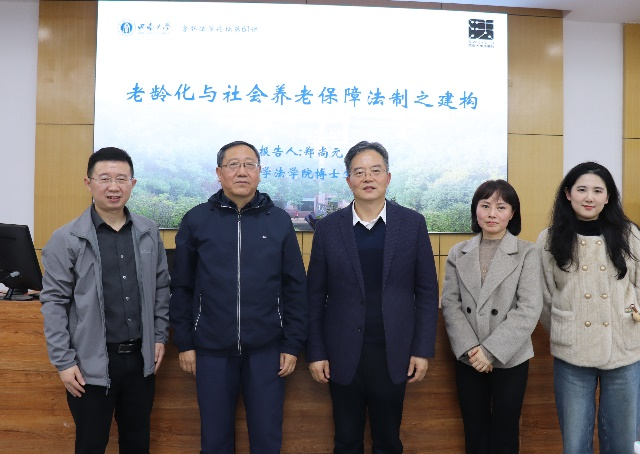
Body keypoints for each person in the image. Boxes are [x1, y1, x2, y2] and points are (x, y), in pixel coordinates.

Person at [169, 140, 307, 453]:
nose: (241, 172)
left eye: (249, 164)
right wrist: (185, 342)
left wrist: (292, 343)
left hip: (267, 350)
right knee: (215, 440)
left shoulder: (279, 221)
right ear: (219, 173)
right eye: (233, 165)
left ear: (259, 171)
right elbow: (182, 286)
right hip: (211, 350)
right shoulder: (196, 220)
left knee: (267, 438)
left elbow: (295, 286)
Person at [306, 140, 439, 453]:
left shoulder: (412, 224)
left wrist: (421, 350)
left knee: (388, 441)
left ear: (388, 178)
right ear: (348, 180)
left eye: (375, 171)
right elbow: (314, 296)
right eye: (359, 172)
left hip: (393, 352)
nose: (368, 178)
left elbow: (427, 291)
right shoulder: (328, 229)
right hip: (341, 354)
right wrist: (316, 352)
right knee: (346, 441)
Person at [40, 147, 171, 454]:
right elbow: (54, 303)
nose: (114, 186)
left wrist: (159, 336)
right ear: (88, 183)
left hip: (140, 361)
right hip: (89, 364)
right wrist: (64, 362)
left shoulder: (148, 231)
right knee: (91, 444)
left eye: (121, 179)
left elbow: (162, 288)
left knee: (137, 444)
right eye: (105, 178)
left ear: (133, 183)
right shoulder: (66, 238)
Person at [537, 162, 640, 453]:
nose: (589, 197)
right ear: (568, 194)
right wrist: (567, 327)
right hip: (572, 350)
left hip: (624, 348)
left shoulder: (629, 234)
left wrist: (626, 322)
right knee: (575, 442)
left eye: (598, 191)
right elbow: (545, 297)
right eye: (582, 189)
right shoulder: (549, 239)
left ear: (608, 196)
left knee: (624, 440)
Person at [440, 180, 542, 453]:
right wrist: (473, 350)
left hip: (510, 357)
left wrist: (491, 351)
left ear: (512, 213)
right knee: (474, 430)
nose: (492, 213)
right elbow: (450, 303)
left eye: (501, 207)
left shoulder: (528, 252)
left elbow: (529, 308)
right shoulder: (458, 252)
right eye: (485, 206)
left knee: (505, 432)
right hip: (469, 357)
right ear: (476, 211)